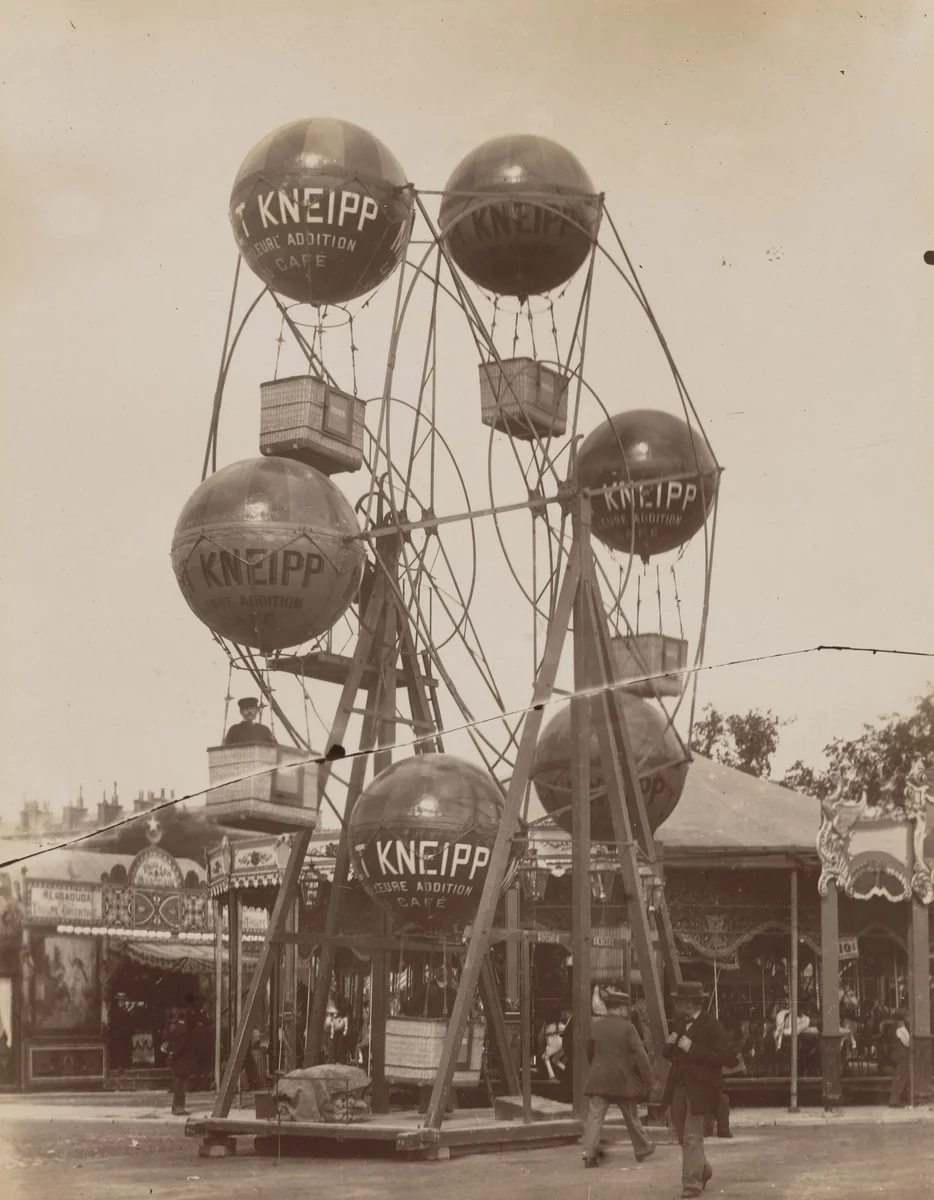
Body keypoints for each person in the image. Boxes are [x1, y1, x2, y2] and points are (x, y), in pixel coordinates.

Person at [661, 981, 735, 1198]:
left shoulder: (711, 1025)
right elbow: (671, 1055)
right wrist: (669, 1046)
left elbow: (724, 1057)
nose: (677, 1005)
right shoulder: (679, 1023)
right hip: (678, 1087)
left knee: (692, 1137)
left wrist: (693, 1048)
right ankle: (703, 1169)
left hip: (700, 1089)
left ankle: (691, 1185)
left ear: (692, 1003)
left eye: (681, 1001)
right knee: (681, 1133)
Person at [580, 987, 656, 1169]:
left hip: (598, 1079)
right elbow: (641, 1056)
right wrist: (649, 1080)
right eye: (627, 1007)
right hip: (623, 1080)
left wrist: (598, 1068)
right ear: (621, 1008)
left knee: (594, 1118)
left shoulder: (596, 1026)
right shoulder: (628, 1027)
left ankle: (589, 1156)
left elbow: (589, 1051)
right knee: (631, 1116)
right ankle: (642, 1148)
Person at [164, 995, 200, 1116]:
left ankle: (177, 1106)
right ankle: (178, 1107)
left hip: (178, 1059)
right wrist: (174, 1053)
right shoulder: (182, 1025)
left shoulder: (173, 1024)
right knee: (180, 1083)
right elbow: (181, 1043)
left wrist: (171, 1052)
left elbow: (170, 1040)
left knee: (179, 1082)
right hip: (181, 1059)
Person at [888, 1010, 911, 1107]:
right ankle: (893, 1101)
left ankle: (910, 1099)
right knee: (900, 1077)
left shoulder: (894, 1027)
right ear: (902, 1019)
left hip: (897, 1055)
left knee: (905, 1077)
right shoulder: (901, 1029)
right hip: (902, 1056)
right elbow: (908, 1043)